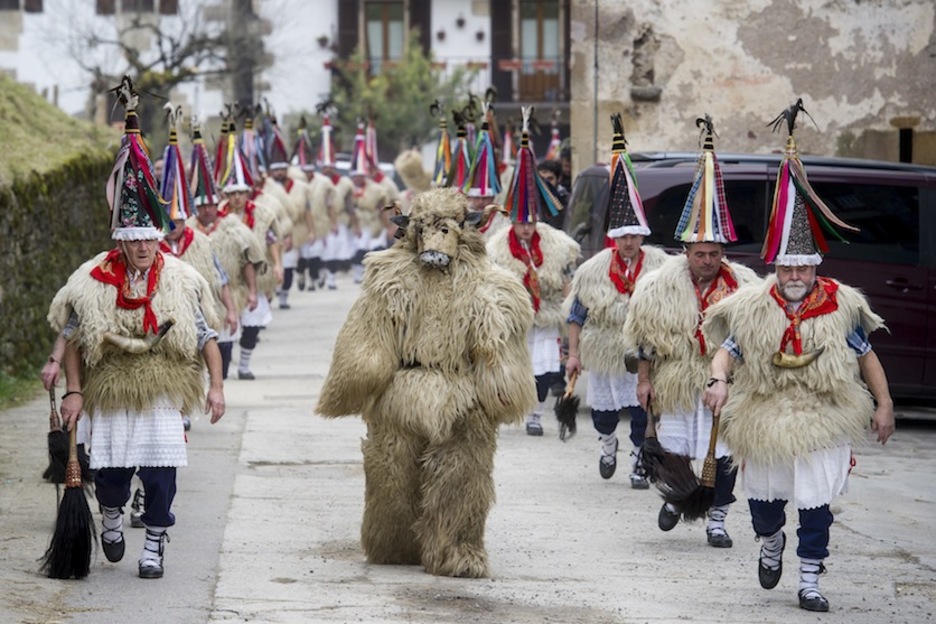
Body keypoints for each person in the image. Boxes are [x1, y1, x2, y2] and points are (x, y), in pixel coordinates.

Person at [701, 103, 895, 612]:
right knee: (765, 505)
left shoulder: (842, 305)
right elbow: (727, 351)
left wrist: (884, 404)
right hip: (765, 411)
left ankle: (811, 579)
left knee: (815, 505)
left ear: (813, 269)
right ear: (778, 267)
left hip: (822, 414)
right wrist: (718, 380)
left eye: (802, 268)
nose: (793, 275)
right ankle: (769, 541)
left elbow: (866, 355)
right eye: (786, 266)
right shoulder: (753, 307)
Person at [48, 78, 225, 579]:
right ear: (122, 242)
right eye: (135, 240)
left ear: (158, 239)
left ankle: (154, 544)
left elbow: (205, 336)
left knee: (161, 473)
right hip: (111, 385)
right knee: (108, 477)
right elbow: (77, 330)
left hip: (163, 387)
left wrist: (215, 386)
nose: (145, 248)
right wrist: (71, 386)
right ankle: (108, 514)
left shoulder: (180, 279)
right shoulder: (96, 278)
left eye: (151, 239)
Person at [624, 114, 759, 548]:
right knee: (678, 447)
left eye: (715, 253)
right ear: (685, 250)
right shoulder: (657, 286)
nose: (707, 260)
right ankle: (677, 498)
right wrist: (644, 380)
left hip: (726, 384)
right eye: (700, 253)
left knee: (724, 454)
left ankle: (717, 518)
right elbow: (643, 341)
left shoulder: (744, 287)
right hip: (677, 380)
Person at [564, 115, 668, 484]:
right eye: (622, 236)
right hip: (606, 348)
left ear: (642, 236)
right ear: (614, 237)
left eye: (634, 236)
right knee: (605, 415)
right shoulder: (593, 269)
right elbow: (576, 314)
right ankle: (608, 444)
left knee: (643, 410)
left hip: (642, 349)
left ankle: (640, 460)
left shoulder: (660, 267)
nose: (628, 242)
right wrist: (574, 354)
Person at [488, 106, 580, 436]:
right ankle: (509, 409)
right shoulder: (496, 247)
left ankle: (535, 416)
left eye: (530, 222)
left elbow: (567, 281)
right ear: (512, 220)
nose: (526, 229)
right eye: (520, 223)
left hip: (544, 316)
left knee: (542, 372)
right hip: (513, 320)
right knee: (513, 369)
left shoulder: (557, 245)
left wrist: (570, 315)